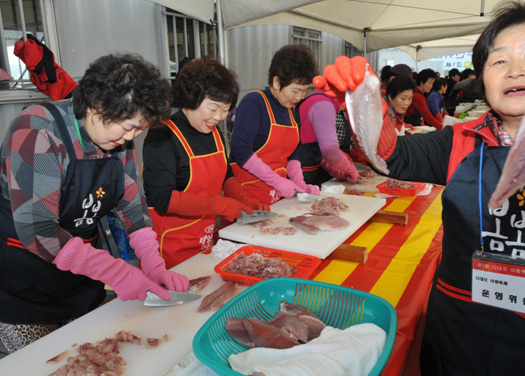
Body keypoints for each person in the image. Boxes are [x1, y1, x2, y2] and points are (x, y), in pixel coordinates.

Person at [315, 1, 525, 374]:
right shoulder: (462, 140)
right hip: (456, 338)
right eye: (498, 61)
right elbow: (392, 156)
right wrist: (363, 105)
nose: (514, 70)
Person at [0, 53, 190, 353]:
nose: (131, 137)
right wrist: (118, 272)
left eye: (139, 129)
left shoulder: (117, 141)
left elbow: (133, 207)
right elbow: (39, 230)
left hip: (81, 278)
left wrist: (152, 263)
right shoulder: (38, 131)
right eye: (128, 126)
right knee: (47, 365)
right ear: (96, 105)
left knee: (99, 358)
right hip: (21, 285)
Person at [142, 56, 267, 268]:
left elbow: (226, 175)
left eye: (226, 109)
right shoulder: (162, 135)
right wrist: (219, 204)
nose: (219, 116)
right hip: (168, 252)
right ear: (191, 98)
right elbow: (162, 199)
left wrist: (245, 200)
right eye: (213, 107)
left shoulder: (214, 132)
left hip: (205, 242)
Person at [229, 44, 320, 205]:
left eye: (304, 91)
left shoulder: (290, 109)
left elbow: (292, 153)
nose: (299, 97)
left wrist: (300, 183)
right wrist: (277, 181)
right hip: (248, 199)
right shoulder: (254, 103)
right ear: (277, 82)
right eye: (295, 90)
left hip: (276, 199)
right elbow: (240, 150)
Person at [295, 86, 359, 186]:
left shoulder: (317, 99)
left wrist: (339, 172)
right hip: (298, 175)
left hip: (303, 172)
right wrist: (350, 169)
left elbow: (318, 151)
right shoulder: (323, 105)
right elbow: (330, 150)